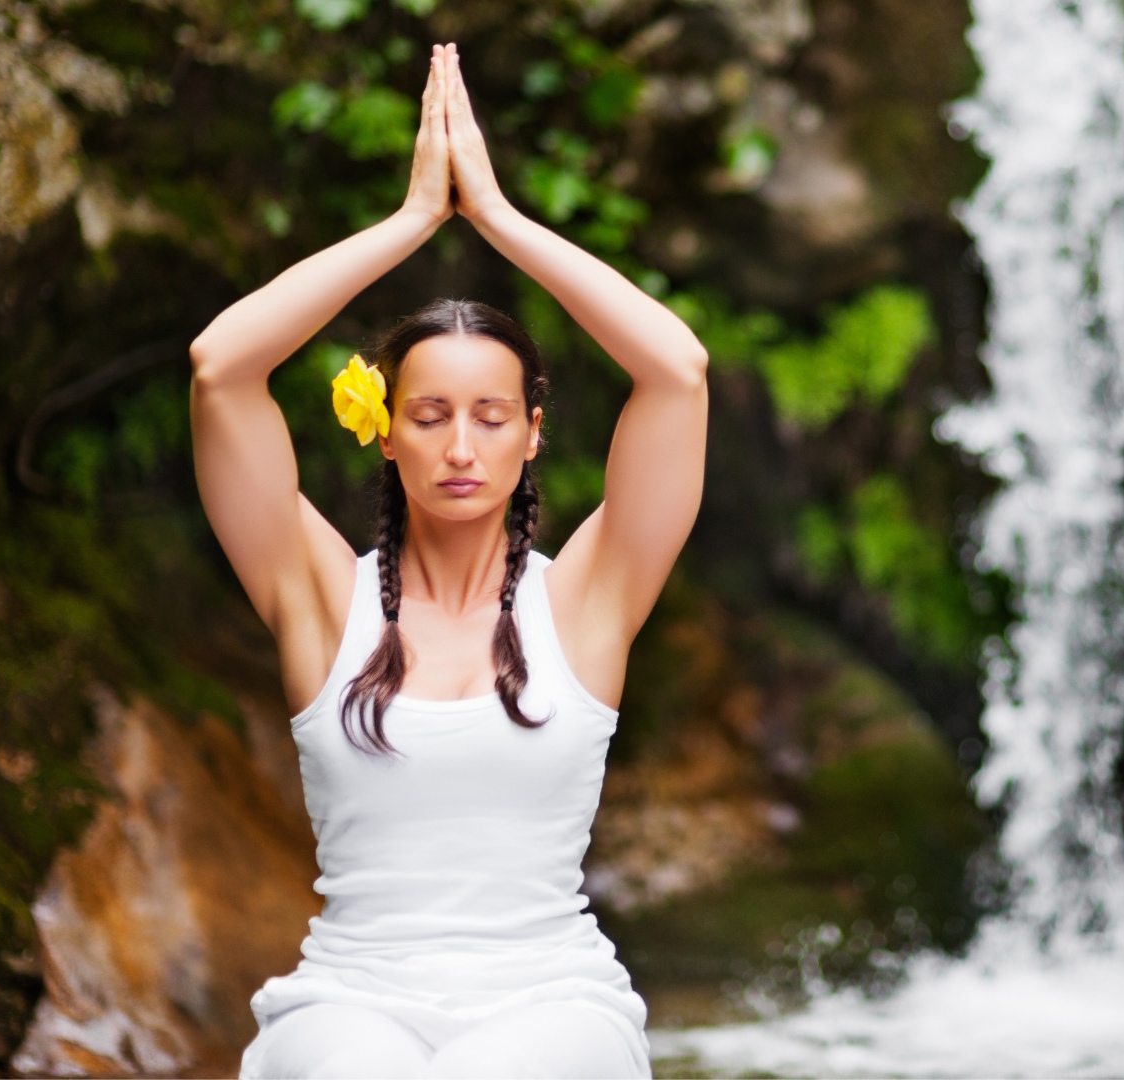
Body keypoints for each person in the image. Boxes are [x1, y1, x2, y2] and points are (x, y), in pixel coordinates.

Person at [188, 41, 706, 1079]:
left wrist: (501, 221)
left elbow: (678, 373)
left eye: (490, 416)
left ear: (533, 434)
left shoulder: (592, 598)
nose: (461, 448)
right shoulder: (319, 591)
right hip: (349, 999)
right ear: (384, 431)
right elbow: (219, 369)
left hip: (553, 1004)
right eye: (428, 416)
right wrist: (413, 221)